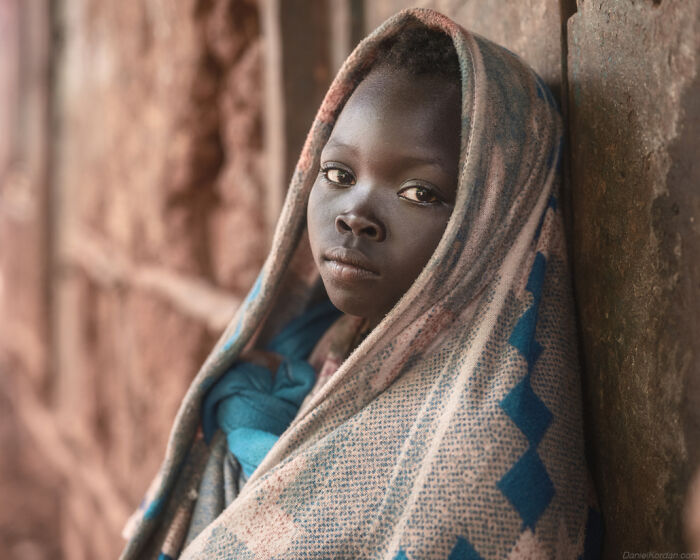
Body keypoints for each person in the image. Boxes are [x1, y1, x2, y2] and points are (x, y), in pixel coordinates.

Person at [121, 8, 601, 559]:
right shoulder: (332, 348)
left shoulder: (479, 470)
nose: (354, 215)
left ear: (494, 221)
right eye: (338, 175)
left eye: (420, 192)